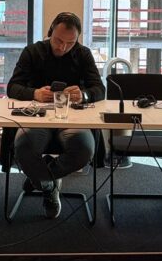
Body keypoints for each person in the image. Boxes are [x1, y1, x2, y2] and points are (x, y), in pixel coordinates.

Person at [7, 12, 105, 219]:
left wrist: (84, 95)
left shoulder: (83, 54)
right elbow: (12, 87)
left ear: (77, 40)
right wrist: (34, 93)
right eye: (59, 41)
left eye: (70, 43)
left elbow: (99, 89)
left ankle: (41, 178)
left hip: (72, 118)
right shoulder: (33, 52)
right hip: (36, 117)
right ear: (50, 31)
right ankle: (49, 184)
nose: (63, 47)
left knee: (84, 149)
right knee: (24, 147)